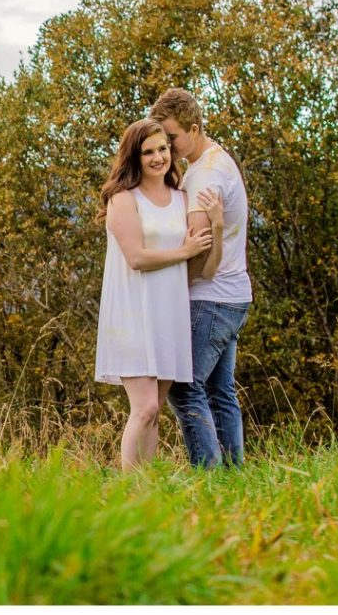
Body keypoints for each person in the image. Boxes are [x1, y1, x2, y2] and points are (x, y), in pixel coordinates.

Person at [95, 118, 223, 469]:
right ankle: (128, 492)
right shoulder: (123, 200)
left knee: (155, 413)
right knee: (145, 407)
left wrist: (217, 220)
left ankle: (146, 491)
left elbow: (205, 253)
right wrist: (183, 251)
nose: (157, 158)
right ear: (134, 157)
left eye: (162, 149)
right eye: (147, 151)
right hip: (132, 314)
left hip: (169, 314)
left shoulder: (182, 198)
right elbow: (136, 258)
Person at [150, 88, 252, 468]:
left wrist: (165, 285)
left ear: (193, 128)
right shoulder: (216, 159)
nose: (167, 146)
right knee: (219, 390)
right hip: (234, 294)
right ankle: (232, 475)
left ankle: (209, 475)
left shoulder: (205, 176)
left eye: (172, 138)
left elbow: (202, 252)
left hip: (212, 297)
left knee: (185, 388)